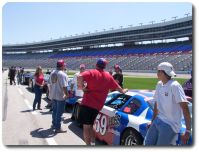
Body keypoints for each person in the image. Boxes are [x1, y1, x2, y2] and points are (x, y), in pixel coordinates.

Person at [77, 58, 128, 145]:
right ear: (104, 66)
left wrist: (82, 88)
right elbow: (119, 88)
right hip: (97, 106)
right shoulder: (108, 76)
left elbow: (79, 76)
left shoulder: (92, 72)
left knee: (86, 127)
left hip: (87, 104)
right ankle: (93, 143)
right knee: (91, 125)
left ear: (96, 64)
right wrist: (124, 91)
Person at [144, 62, 191, 146]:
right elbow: (156, 104)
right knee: (147, 144)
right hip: (158, 120)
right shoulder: (159, 84)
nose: (157, 73)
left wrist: (187, 131)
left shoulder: (175, 86)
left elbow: (185, 107)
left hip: (171, 124)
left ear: (163, 72)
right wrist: (153, 121)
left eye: (158, 71)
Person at [49, 59, 69, 133]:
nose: (65, 66)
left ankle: (54, 124)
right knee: (59, 113)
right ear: (62, 66)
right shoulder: (63, 74)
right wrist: (67, 94)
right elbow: (64, 87)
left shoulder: (52, 72)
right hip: (60, 96)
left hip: (53, 94)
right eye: (64, 65)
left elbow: (50, 84)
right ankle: (58, 128)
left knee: (54, 111)